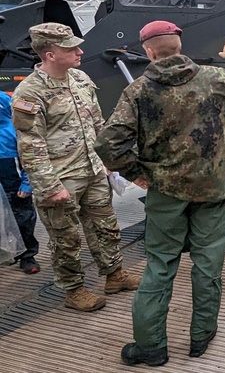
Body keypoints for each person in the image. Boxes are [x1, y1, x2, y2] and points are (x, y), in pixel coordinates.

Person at [96, 20, 225, 366]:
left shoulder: (137, 91)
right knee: (208, 265)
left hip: (165, 193)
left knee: (160, 266)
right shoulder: (215, 79)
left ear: (149, 52)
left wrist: (138, 174)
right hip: (211, 191)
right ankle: (201, 336)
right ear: (179, 47)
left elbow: (108, 145)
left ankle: (151, 347)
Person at [11, 22, 140, 311]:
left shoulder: (80, 79)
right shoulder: (29, 93)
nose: (80, 51)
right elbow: (30, 145)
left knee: (106, 226)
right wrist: (49, 187)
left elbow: (97, 123)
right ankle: (74, 290)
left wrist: (108, 162)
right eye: (70, 48)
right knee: (65, 239)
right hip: (60, 178)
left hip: (92, 171)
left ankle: (114, 275)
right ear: (50, 54)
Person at [0, 90, 40, 273]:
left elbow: (29, 158)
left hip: (14, 182)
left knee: (23, 218)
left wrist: (27, 183)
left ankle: (27, 255)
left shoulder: (13, 128)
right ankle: (8, 252)